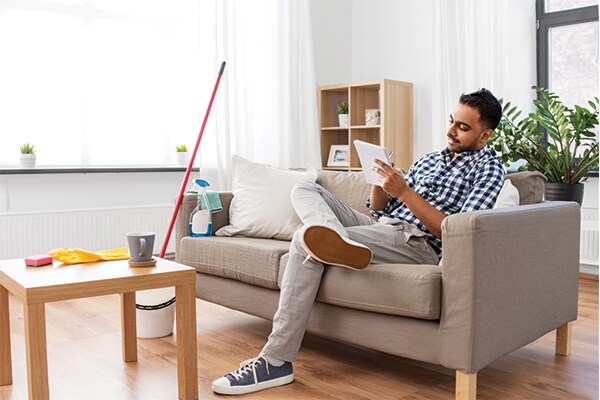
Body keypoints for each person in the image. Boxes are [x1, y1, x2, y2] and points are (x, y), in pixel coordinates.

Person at [211, 88, 506, 395]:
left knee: (304, 241)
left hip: (417, 243)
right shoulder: (429, 159)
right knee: (303, 189)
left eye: (463, 127)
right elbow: (380, 209)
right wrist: (379, 181)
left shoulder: (488, 171)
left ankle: (275, 361)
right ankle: (334, 238)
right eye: (451, 121)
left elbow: (455, 230)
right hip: (383, 226)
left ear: (484, 136)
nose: (451, 131)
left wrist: (405, 191)